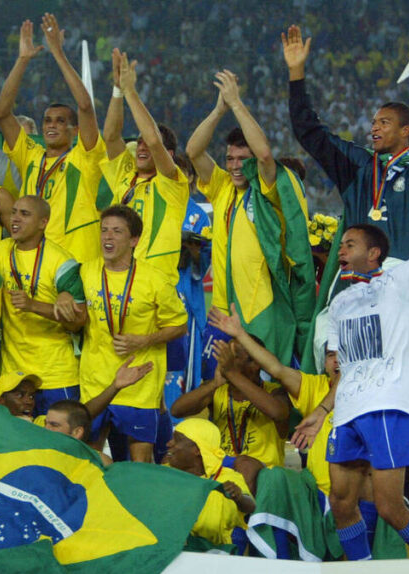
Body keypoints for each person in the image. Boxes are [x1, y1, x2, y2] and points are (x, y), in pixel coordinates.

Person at [283, 24, 409, 468]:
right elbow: (309, 132)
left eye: (384, 123)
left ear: (406, 131)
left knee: (395, 378)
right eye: (373, 122)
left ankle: (400, 477)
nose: (373, 128)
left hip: (399, 290)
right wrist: (297, 76)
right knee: (336, 361)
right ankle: (336, 456)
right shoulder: (356, 164)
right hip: (353, 287)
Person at [293, 157, 409, 561]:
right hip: (350, 410)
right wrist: (321, 412)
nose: (341, 249)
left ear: (374, 253)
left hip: (387, 407)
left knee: (390, 506)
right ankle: (362, 571)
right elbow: (347, 371)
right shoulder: (340, 304)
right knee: (340, 502)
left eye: (349, 244)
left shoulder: (399, 281)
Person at [186, 69, 311, 366]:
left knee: (260, 392)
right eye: (230, 158)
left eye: (242, 159)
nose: (234, 166)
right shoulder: (222, 187)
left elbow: (266, 155)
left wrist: (237, 104)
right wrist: (220, 109)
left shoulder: (267, 189)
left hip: (260, 312)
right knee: (216, 393)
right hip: (220, 311)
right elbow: (193, 150)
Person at [0, 195, 85, 414]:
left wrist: (34, 306)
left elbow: (79, 321)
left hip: (55, 375)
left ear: (43, 222)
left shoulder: (61, 261)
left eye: (25, 214)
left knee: (57, 443)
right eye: (14, 212)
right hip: (13, 377)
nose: (15, 219)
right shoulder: (0, 251)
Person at [0, 15, 105, 263]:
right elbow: (2, 113)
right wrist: (23, 60)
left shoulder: (85, 157)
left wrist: (58, 53)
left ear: (75, 130)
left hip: (74, 260)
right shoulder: (31, 155)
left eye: (60, 121)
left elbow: (86, 106)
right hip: (33, 258)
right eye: (47, 120)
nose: (52, 125)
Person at [81, 205, 186, 463]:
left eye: (117, 231)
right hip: (96, 380)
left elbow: (180, 326)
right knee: (89, 458)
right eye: (104, 230)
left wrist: (144, 340)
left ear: (134, 240)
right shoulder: (85, 272)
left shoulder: (155, 280)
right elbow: (66, 294)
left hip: (139, 382)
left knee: (140, 464)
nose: (108, 237)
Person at [100, 50, 189, 276]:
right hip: (119, 275)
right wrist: (118, 90)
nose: (141, 146)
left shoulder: (172, 183)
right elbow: (110, 136)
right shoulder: (126, 174)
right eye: (138, 143)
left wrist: (131, 91)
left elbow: (153, 139)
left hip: (155, 280)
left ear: (167, 153)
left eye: (146, 144)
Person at [171, 334, 291, 467]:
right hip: (223, 467)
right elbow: (176, 410)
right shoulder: (217, 389)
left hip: (262, 471)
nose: (224, 361)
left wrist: (231, 373)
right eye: (224, 355)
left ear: (255, 363)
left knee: (245, 465)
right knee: (170, 459)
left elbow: (277, 413)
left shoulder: (276, 392)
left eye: (233, 356)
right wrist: (214, 384)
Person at [165, 418, 254, 549]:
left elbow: (250, 506)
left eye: (176, 440)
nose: (168, 444)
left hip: (216, 553)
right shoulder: (164, 474)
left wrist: (239, 497)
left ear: (197, 449)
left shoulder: (225, 477)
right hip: (171, 550)